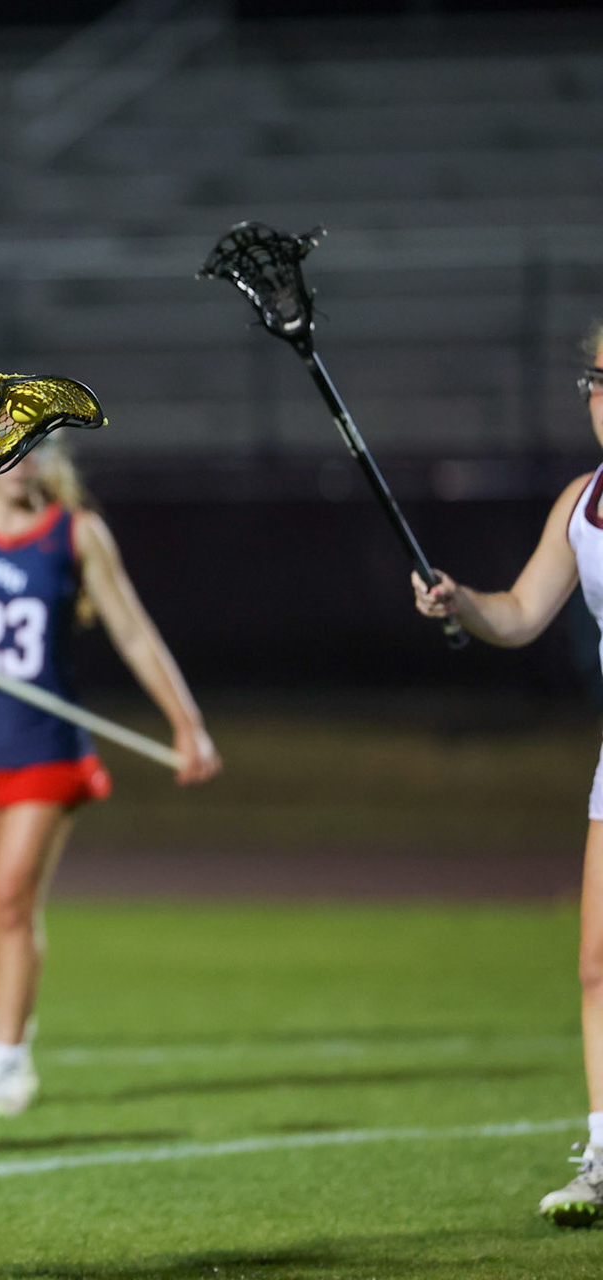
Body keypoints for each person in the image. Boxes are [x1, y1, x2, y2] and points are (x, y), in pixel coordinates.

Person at [0, 443, 220, 1120]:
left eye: (34, 446)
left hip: (45, 744)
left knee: (10, 896)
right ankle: (1, 1023)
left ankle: (9, 1061)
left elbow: (133, 631)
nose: (21, 460)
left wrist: (186, 724)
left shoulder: (77, 532)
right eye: (7, 447)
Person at [412, 323, 603, 1228]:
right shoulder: (581, 501)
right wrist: (461, 603)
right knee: (599, 966)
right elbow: (522, 611)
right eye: (597, 381)